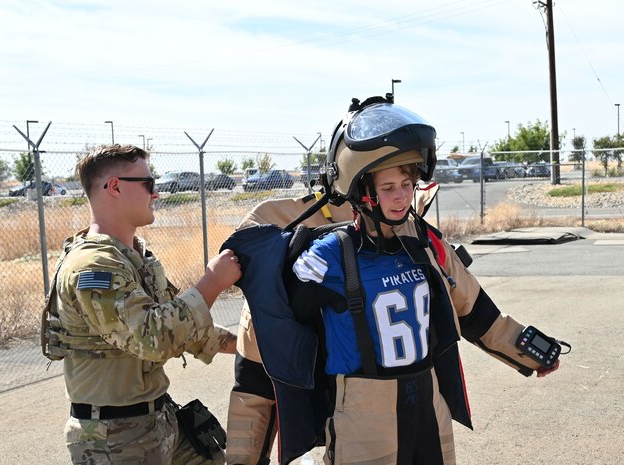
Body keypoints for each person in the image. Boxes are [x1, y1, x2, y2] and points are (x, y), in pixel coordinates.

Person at [288, 96, 560, 465]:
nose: (401, 197)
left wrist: (528, 352)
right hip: (364, 420)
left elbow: (475, 311)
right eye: (387, 188)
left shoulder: (424, 244)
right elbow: (280, 329)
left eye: (407, 183)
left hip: (428, 406)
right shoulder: (329, 256)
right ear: (361, 190)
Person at [41, 144, 241, 465]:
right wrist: (213, 282)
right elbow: (153, 339)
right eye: (149, 184)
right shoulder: (94, 266)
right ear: (115, 187)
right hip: (114, 439)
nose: (157, 194)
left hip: (158, 420)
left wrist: (244, 345)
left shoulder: (133, 257)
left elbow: (180, 325)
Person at [226, 192, 354, 465]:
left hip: (329, 353)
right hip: (262, 354)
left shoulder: (387, 208)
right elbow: (236, 259)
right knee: (244, 451)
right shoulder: (270, 213)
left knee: (347, 441)